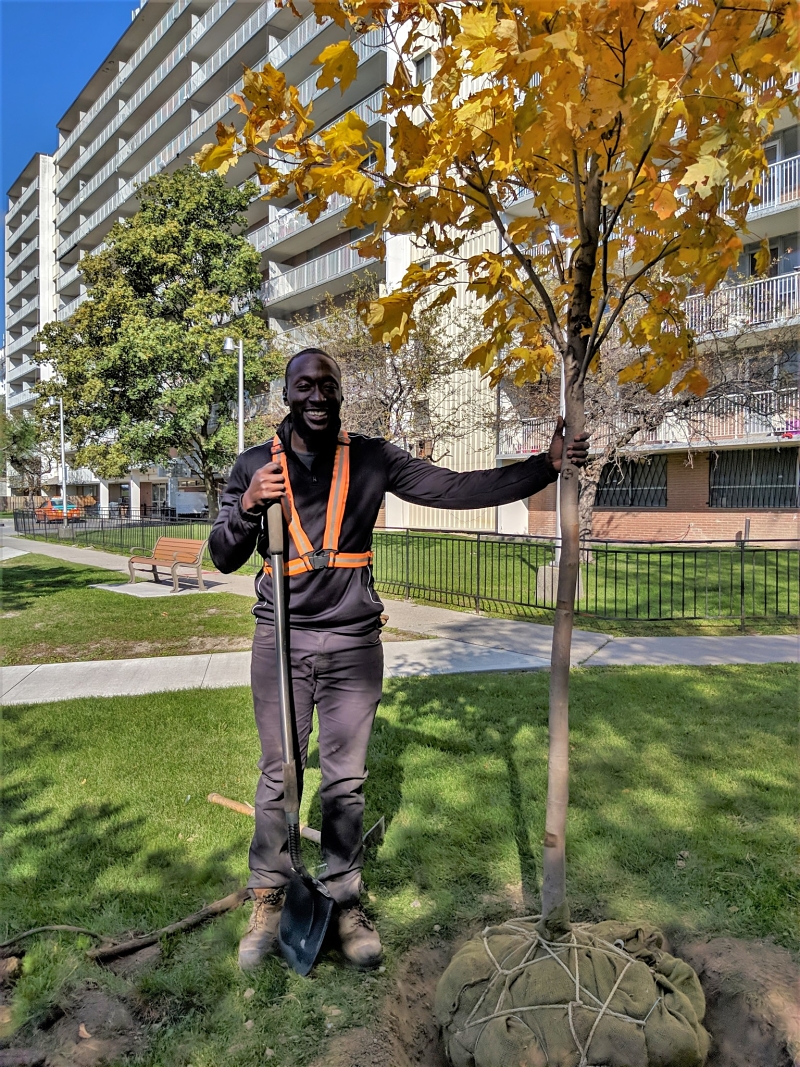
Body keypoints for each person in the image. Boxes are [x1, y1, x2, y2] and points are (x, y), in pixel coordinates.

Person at [209, 348, 590, 972]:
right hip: (280, 639)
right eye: (304, 384)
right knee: (280, 772)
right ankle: (270, 897)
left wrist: (542, 468)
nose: (317, 395)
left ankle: (344, 898)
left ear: (340, 394)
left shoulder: (371, 458)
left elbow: (457, 489)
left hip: (354, 641)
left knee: (346, 780)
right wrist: (250, 504)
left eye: (328, 384)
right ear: (286, 394)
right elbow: (222, 556)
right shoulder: (255, 465)